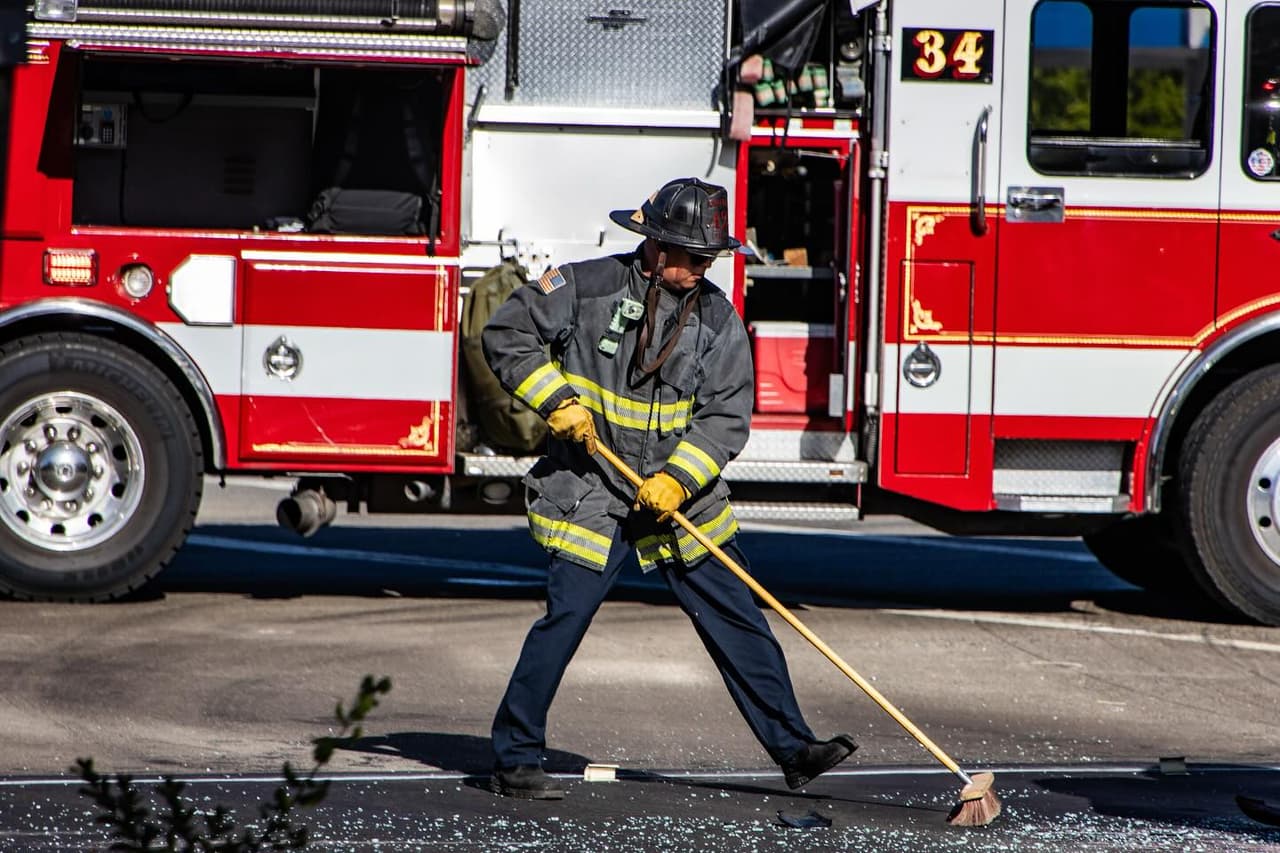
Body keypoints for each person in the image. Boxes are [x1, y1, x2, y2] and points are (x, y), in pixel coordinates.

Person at [481, 177, 856, 800]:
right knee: (565, 620)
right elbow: (507, 335)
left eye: (712, 257)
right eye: (696, 256)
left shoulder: (718, 320)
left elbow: (725, 416)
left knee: (738, 617)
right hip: (592, 490)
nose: (706, 268)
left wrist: (678, 481)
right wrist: (556, 402)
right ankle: (515, 757)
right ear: (656, 246)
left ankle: (794, 749)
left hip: (676, 499)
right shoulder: (585, 286)